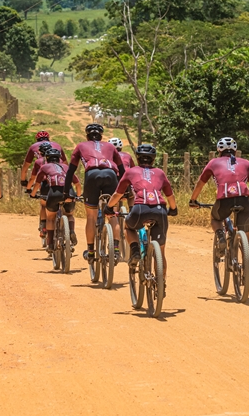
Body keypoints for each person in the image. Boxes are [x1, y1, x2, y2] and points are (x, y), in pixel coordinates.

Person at [108, 144, 177, 291]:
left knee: (128, 227)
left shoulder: (131, 171)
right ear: (153, 159)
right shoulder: (160, 173)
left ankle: (134, 251)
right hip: (160, 210)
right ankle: (161, 284)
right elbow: (170, 195)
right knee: (161, 252)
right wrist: (173, 209)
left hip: (140, 209)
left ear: (137, 158)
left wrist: (109, 207)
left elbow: (118, 194)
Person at [64, 123, 125, 262]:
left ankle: (91, 252)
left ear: (87, 136)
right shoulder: (110, 146)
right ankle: (116, 250)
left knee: (91, 216)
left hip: (92, 175)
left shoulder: (80, 146)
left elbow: (70, 171)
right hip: (111, 175)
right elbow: (122, 170)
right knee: (112, 214)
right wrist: (125, 190)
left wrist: (66, 191)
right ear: (101, 136)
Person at [188, 137, 249, 251]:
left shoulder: (213, 163)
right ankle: (246, 261)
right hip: (243, 200)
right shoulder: (246, 163)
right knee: (246, 237)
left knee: (215, 219)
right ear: (235, 151)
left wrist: (193, 200)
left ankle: (221, 236)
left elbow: (200, 184)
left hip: (224, 199)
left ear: (219, 151)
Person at [30, 148, 82, 254]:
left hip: (54, 193)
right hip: (69, 193)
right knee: (69, 215)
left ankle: (50, 243)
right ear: (59, 158)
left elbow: (37, 183)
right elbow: (77, 184)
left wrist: (33, 194)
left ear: (47, 158)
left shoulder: (44, 167)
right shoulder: (66, 167)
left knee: (50, 218)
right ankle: (71, 231)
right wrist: (78, 196)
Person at [26, 142, 53, 240]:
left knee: (43, 205)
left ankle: (44, 227)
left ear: (40, 153)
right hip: (58, 185)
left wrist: (29, 189)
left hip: (45, 185)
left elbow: (33, 178)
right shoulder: (59, 161)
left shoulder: (39, 162)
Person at [109, 137, 135, 209]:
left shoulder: (108, 156)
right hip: (126, 178)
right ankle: (132, 209)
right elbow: (133, 168)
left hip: (114, 177)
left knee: (114, 195)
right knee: (131, 196)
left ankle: (113, 210)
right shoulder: (127, 155)